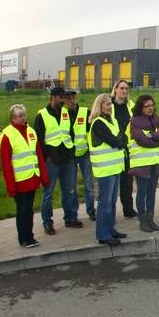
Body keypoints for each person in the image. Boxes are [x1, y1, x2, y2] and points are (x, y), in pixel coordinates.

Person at [0, 104, 49, 248]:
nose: (22, 118)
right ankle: (24, 239)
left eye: (24, 115)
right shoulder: (7, 135)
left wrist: (43, 177)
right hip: (19, 181)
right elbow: (6, 164)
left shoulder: (31, 131)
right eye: (19, 116)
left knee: (29, 210)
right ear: (12, 118)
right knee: (23, 210)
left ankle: (30, 236)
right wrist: (11, 187)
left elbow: (38, 155)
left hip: (32, 178)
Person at [35, 86, 82, 235]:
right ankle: (47, 222)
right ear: (53, 97)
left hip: (67, 156)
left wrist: (71, 150)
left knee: (69, 190)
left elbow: (71, 133)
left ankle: (70, 217)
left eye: (65, 97)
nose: (64, 100)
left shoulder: (65, 113)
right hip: (52, 159)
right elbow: (39, 139)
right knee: (48, 193)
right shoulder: (41, 115)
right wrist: (47, 156)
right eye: (61, 97)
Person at [87, 94, 128, 246]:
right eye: (106, 104)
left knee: (111, 202)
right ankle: (103, 234)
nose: (110, 106)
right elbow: (115, 141)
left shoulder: (113, 120)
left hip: (115, 167)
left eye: (110, 104)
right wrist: (120, 141)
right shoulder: (98, 123)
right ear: (99, 106)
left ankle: (111, 230)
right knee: (105, 203)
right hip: (105, 170)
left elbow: (123, 138)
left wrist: (120, 141)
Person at [128, 94, 159, 232]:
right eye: (147, 106)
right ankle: (142, 221)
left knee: (152, 192)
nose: (151, 108)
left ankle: (151, 219)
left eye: (152, 105)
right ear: (141, 108)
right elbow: (142, 141)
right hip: (141, 164)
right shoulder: (134, 122)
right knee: (142, 192)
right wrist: (157, 140)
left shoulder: (155, 119)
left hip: (154, 163)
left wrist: (153, 136)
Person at [109, 80, 137, 219]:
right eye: (121, 88)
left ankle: (128, 209)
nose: (124, 91)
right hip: (113, 148)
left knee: (127, 181)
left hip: (128, 148)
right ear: (115, 89)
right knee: (113, 184)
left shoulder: (131, 106)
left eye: (126, 88)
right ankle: (111, 211)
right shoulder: (109, 105)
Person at [65, 89, 95, 221]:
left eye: (72, 98)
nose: (71, 101)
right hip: (70, 155)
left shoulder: (85, 111)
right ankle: (73, 214)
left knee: (89, 184)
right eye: (67, 99)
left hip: (84, 154)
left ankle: (91, 210)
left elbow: (90, 131)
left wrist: (90, 149)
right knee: (72, 187)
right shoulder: (63, 114)